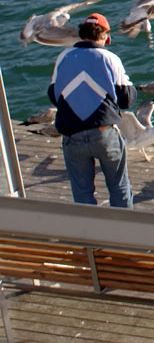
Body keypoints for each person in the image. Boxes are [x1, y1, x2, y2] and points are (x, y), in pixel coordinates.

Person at [47, 13, 137, 207]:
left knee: (82, 195)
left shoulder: (63, 57)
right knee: (119, 188)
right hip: (104, 134)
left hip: (73, 136)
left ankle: (89, 233)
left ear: (82, 34)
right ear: (105, 35)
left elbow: (54, 96)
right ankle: (126, 232)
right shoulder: (110, 58)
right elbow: (127, 99)